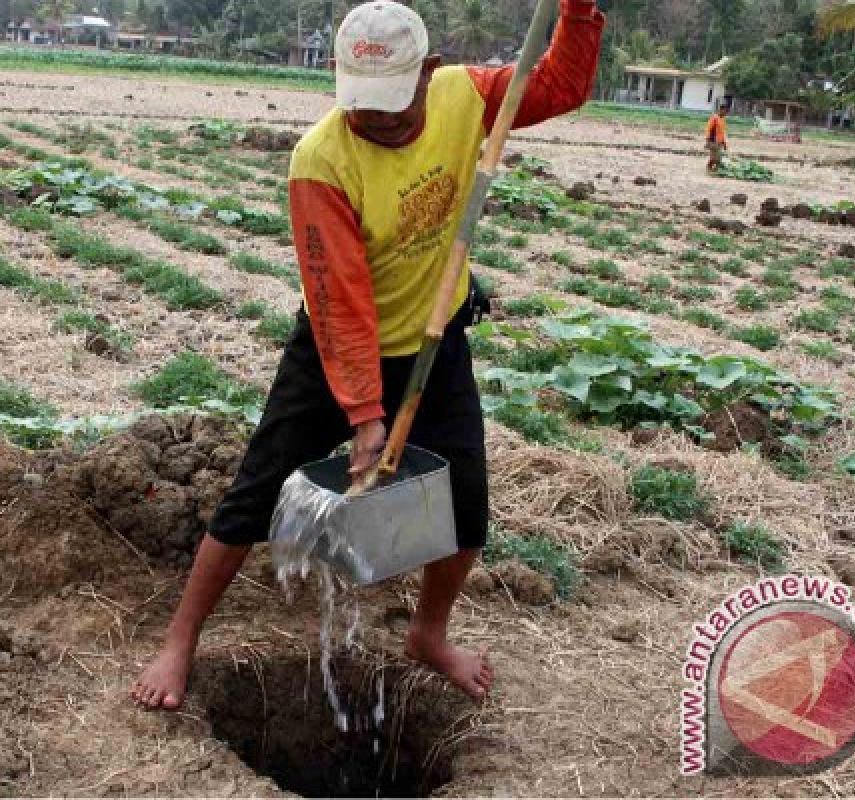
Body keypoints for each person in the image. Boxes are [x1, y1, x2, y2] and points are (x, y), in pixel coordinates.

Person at [131, 0, 605, 711]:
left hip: (433, 341)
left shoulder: (466, 96)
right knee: (255, 494)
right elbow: (340, 300)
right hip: (334, 347)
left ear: (429, 74)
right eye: (362, 104)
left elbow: (560, 85)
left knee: (466, 505)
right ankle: (181, 639)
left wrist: (579, 10)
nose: (376, 119)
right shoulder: (321, 159)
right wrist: (364, 414)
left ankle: (429, 633)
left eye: (392, 103)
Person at [706, 101, 730, 172]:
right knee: (715, 158)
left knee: (716, 158)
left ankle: (712, 169)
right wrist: (708, 141)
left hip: (719, 142)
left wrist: (724, 143)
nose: (726, 113)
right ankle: (711, 169)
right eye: (725, 111)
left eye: (727, 112)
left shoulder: (723, 119)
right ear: (721, 110)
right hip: (713, 141)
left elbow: (722, 132)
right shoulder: (714, 118)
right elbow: (708, 129)